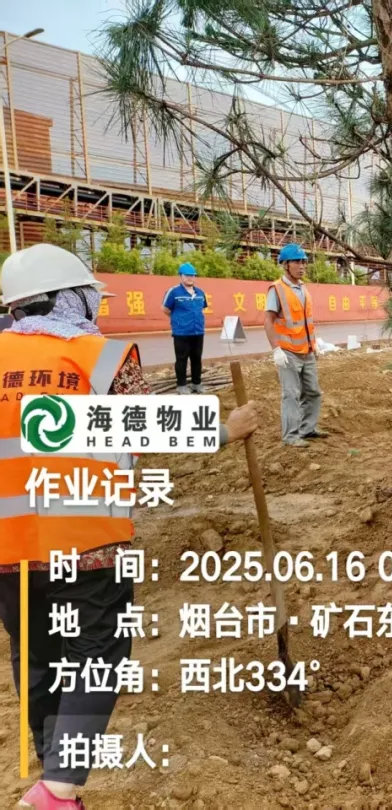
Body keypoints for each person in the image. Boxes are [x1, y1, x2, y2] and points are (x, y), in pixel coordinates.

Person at [0, 244, 260, 810]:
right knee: (96, 656)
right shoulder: (100, 358)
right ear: (70, 298)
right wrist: (226, 428)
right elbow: (149, 429)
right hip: (85, 544)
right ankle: (57, 791)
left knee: (37, 655)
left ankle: (53, 778)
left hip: (7, 550)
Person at [264, 242, 325, 447]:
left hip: (306, 351)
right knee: (290, 394)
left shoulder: (303, 289)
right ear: (286, 265)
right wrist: (276, 350)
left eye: (303, 262)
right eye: (297, 262)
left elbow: (306, 321)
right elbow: (268, 320)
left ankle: (308, 429)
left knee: (313, 391)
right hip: (288, 352)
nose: (302, 266)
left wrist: (314, 344)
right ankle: (290, 435)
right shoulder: (277, 289)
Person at [161, 261, 207, 393]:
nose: (190, 278)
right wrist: (178, 320)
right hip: (181, 333)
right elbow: (165, 309)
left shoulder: (200, 293)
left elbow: (202, 308)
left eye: (192, 275)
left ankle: (196, 383)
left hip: (198, 331)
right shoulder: (174, 292)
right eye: (187, 275)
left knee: (197, 359)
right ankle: (181, 385)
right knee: (181, 359)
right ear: (180, 276)